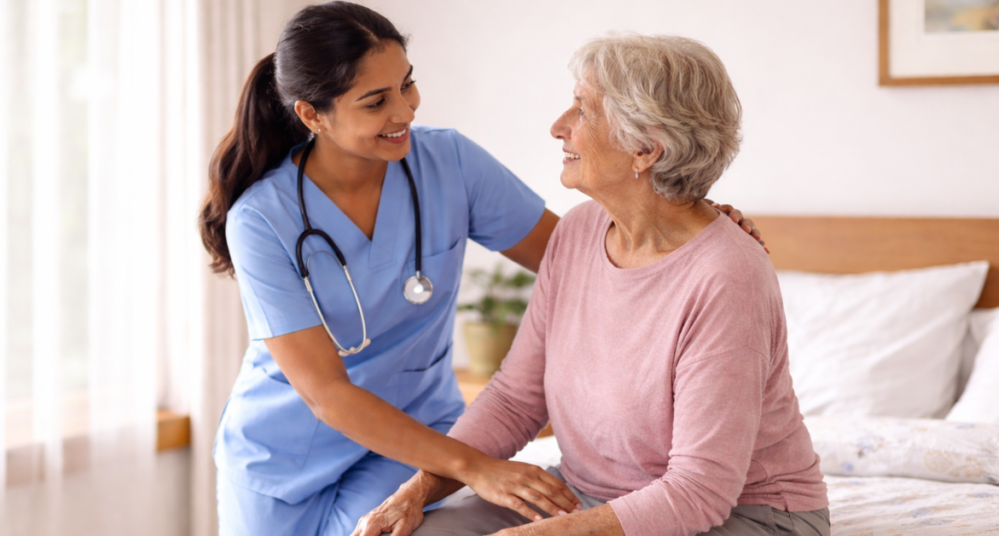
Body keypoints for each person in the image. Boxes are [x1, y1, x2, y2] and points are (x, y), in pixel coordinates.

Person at [199, 4, 765, 535]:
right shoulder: (262, 218)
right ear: (310, 115)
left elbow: (593, 259)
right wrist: (477, 467)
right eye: (375, 103)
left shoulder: (449, 164)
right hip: (287, 448)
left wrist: (691, 221)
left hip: (416, 439)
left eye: (408, 84)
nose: (405, 112)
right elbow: (326, 393)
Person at [353, 34, 830, 536]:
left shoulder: (728, 276)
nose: (559, 127)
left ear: (645, 148)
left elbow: (699, 491)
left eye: (582, 109)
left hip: (746, 512)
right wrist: (418, 491)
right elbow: (516, 399)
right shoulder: (578, 232)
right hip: (586, 494)